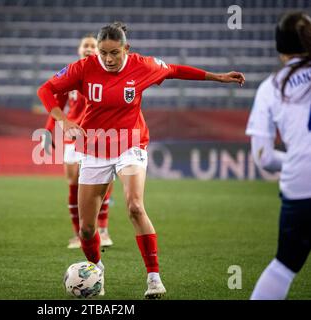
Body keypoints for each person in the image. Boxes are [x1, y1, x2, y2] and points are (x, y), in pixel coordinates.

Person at [38, 22, 245, 299]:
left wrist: (217, 77)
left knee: (135, 206)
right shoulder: (84, 67)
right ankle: (97, 271)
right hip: (94, 147)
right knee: (87, 230)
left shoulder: (143, 66)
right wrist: (64, 121)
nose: (108, 59)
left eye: (114, 53)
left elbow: (175, 70)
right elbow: (46, 90)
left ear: (126, 48)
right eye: (103, 53)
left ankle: (154, 278)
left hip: (130, 144)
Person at [247, 11, 311, 300]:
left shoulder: (271, 87)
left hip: (301, 185)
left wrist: (296, 160)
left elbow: (264, 158)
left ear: (279, 47)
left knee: (284, 266)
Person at [43, 34, 114, 249]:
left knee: (102, 183)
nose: (89, 48)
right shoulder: (72, 74)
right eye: (86, 45)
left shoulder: (107, 73)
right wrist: (49, 130)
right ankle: (79, 234)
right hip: (73, 136)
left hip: (99, 135)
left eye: (93, 45)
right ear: (79, 49)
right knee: (73, 183)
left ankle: (103, 229)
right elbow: (58, 103)